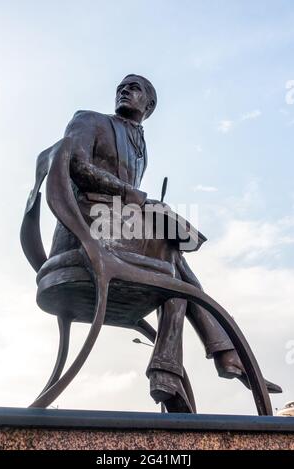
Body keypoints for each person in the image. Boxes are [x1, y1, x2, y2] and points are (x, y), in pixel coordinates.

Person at [46, 74, 281, 412]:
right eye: (121, 87)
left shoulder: (142, 149)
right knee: (171, 258)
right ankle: (201, 361)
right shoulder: (89, 120)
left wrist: (146, 207)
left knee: (171, 258)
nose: (124, 90)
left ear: (149, 105)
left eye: (134, 87)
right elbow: (76, 166)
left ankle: (193, 365)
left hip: (116, 233)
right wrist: (136, 197)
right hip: (82, 232)